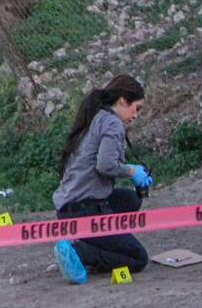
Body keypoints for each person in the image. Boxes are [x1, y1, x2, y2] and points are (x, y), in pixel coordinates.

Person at [51, 74, 153, 284]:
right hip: (84, 211)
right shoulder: (113, 124)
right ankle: (81, 252)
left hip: (69, 208)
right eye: (136, 108)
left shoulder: (96, 116)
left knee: (130, 200)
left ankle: (94, 241)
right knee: (138, 258)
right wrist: (132, 172)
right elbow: (105, 165)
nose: (136, 115)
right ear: (123, 101)